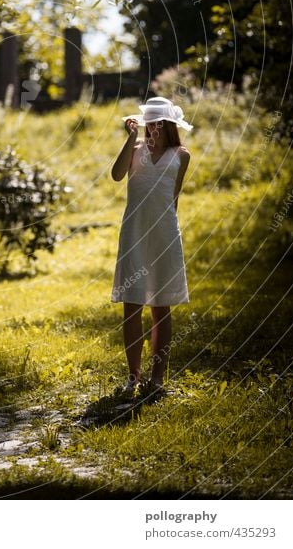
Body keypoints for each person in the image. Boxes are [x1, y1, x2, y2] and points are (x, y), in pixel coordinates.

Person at [110, 96, 193, 400]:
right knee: (132, 306)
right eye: (149, 122)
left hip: (165, 235)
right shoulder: (135, 150)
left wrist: (169, 231)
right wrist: (131, 136)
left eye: (159, 122)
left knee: (161, 307)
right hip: (134, 232)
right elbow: (117, 175)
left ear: (170, 125)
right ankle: (133, 377)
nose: (153, 127)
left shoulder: (181, 155)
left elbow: (173, 198)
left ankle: (156, 377)